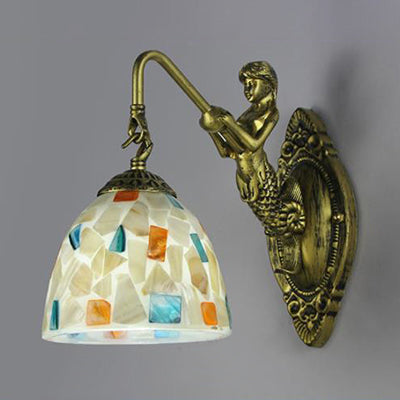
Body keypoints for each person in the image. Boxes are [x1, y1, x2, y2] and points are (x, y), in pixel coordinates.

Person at [200, 61, 279, 203]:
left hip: (260, 174)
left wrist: (231, 123)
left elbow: (254, 145)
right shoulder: (247, 114)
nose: (247, 89)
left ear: (267, 85)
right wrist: (212, 130)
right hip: (243, 172)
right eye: (245, 85)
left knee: (270, 206)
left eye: (252, 84)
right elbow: (226, 152)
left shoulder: (272, 114)